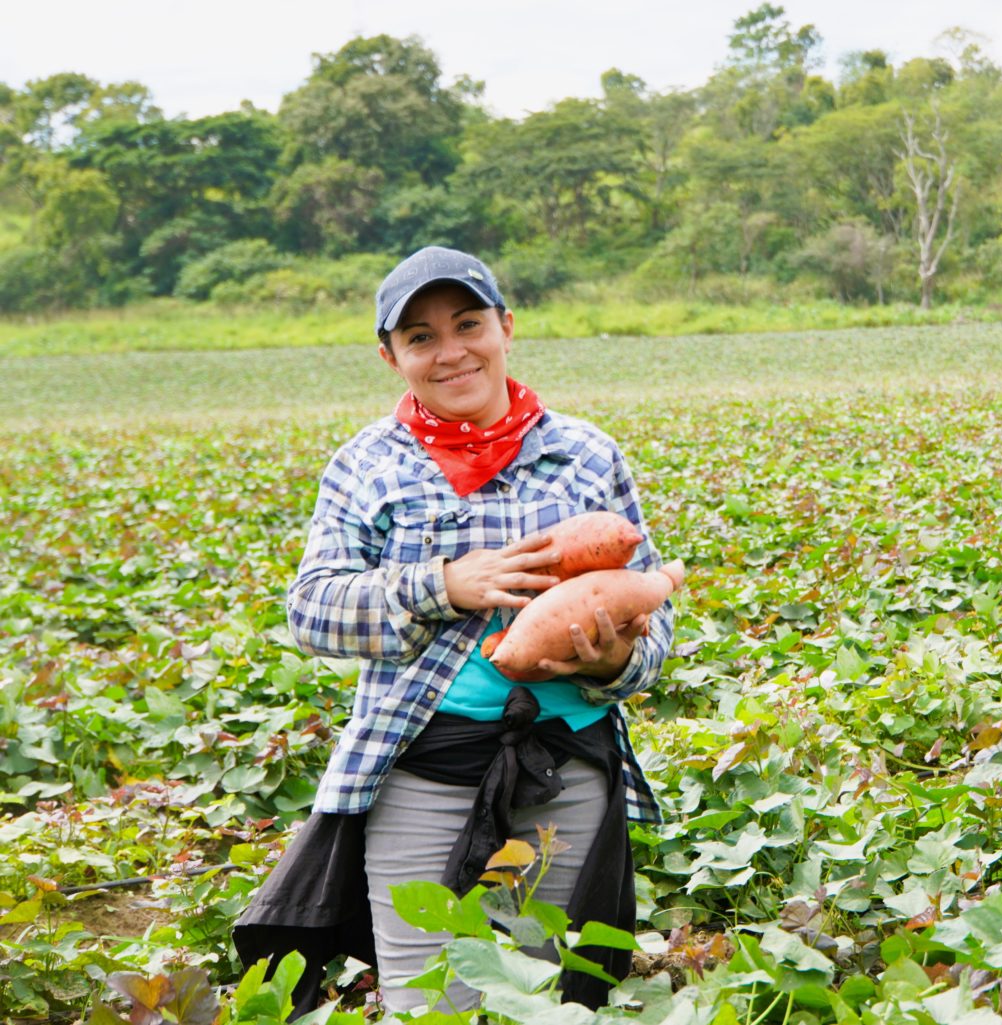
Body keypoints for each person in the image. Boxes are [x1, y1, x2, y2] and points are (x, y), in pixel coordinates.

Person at [232, 246, 674, 1014]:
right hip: (422, 769)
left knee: (556, 989)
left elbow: (656, 613)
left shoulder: (584, 453)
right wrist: (441, 585)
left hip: (568, 766)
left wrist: (616, 659)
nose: (451, 350)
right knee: (429, 997)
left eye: (468, 324)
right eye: (421, 337)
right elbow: (310, 610)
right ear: (390, 355)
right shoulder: (367, 466)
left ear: (506, 327)